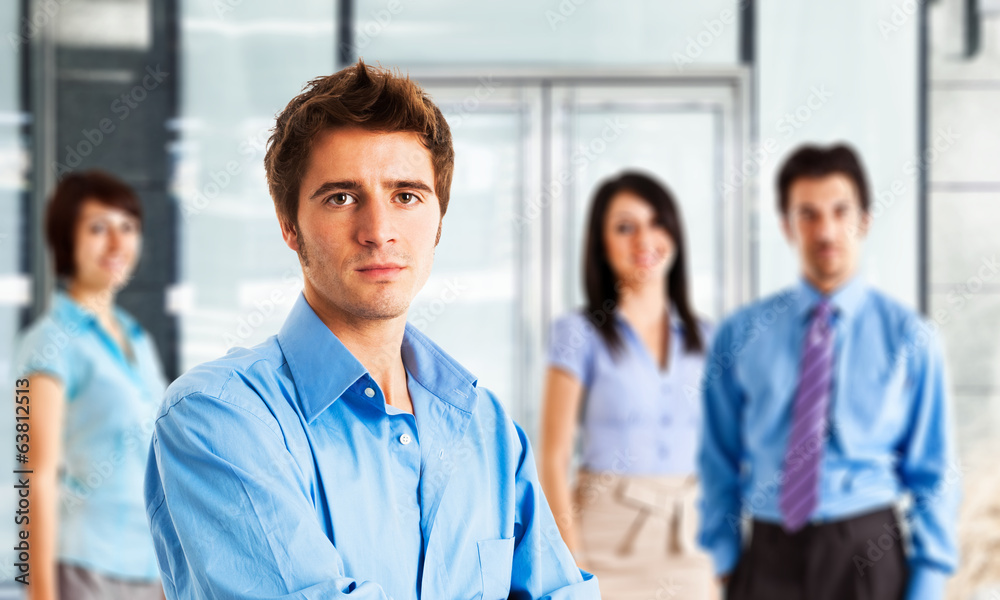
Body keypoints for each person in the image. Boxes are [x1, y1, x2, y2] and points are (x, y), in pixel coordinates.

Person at [143, 60, 598, 600]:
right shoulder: (217, 418)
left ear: (439, 221)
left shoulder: (487, 428)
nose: (378, 231)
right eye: (341, 197)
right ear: (289, 224)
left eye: (406, 195)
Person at [698, 144, 960, 600]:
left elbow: (934, 469)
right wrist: (725, 562)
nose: (826, 230)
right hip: (767, 554)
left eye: (841, 211)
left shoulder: (911, 337)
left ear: (865, 220)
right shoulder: (740, 334)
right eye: (808, 214)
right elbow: (716, 457)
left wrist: (929, 580)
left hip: (869, 550)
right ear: (786, 226)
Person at [539, 172, 718, 599]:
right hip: (606, 537)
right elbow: (552, 455)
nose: (644, 239)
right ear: (601, 243)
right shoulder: (579, 333)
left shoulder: (706, 337)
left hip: (688, 536)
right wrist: (571, 555)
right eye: (624, 227)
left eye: (657, 222)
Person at [13, 170, 167, 600]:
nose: (118, 244)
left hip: (152, 565)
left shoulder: (137, 338)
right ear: (66, 240)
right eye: (98, 228)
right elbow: (34, 478)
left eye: (128, 227)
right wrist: (40, 594)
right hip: (85, 568)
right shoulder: (49, 342)